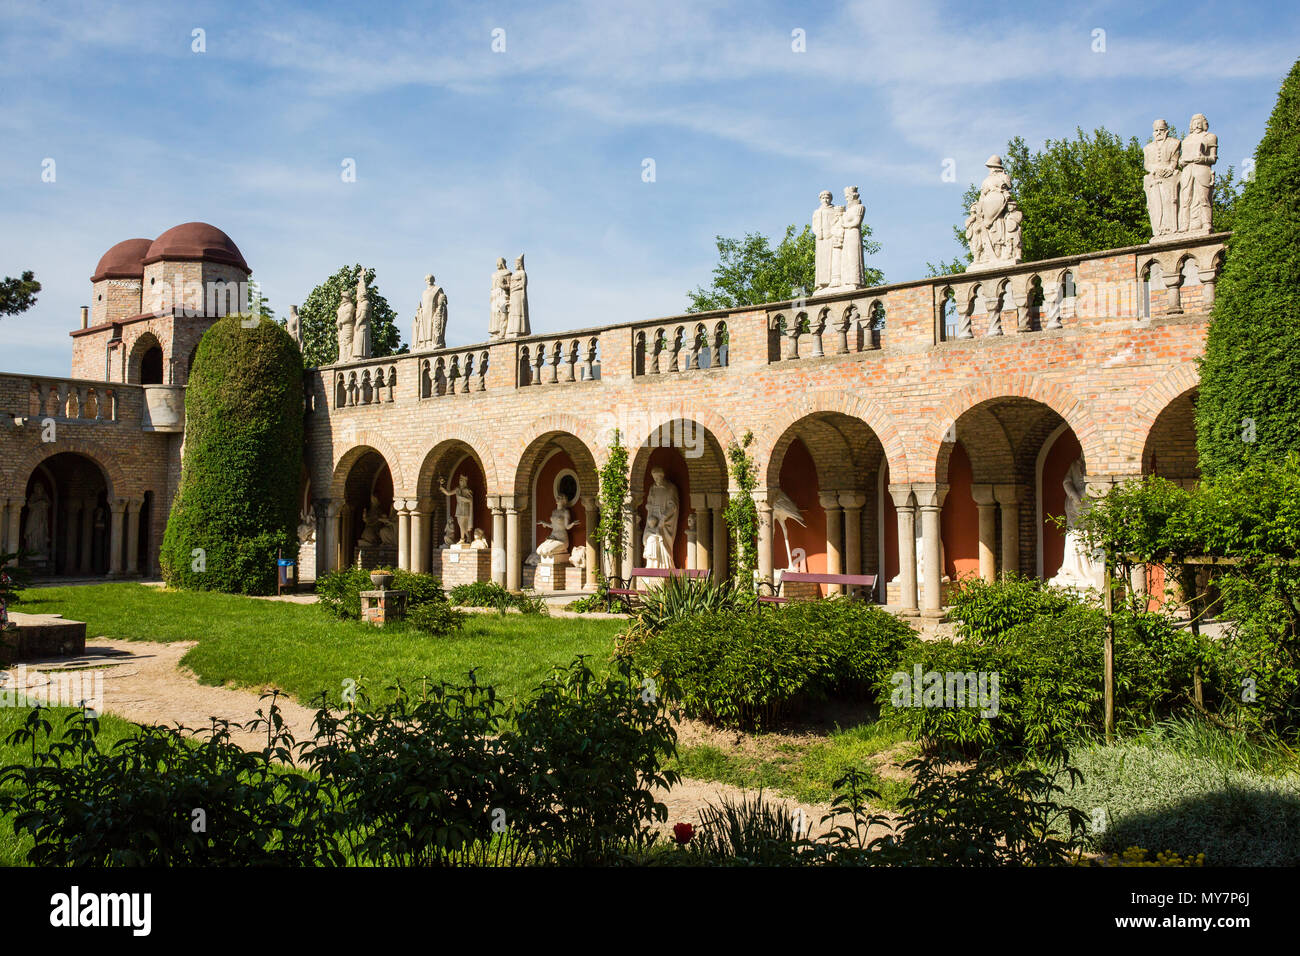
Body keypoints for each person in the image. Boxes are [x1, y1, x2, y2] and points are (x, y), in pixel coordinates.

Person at [1143, 118, 1181, 237]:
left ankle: (1172, 228)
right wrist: (1155, 169)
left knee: (1169, 201)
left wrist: (1169, 169)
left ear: (1166, 131)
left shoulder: (1175, 143)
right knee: (1156, 205)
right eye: (1156, 130)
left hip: (1169, 176)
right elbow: (1147, 164)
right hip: (1155, 177)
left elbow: (1175, 160)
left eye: (1161, 130)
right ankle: (1159, 229)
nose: (1159, 132)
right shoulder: (1147, 148)